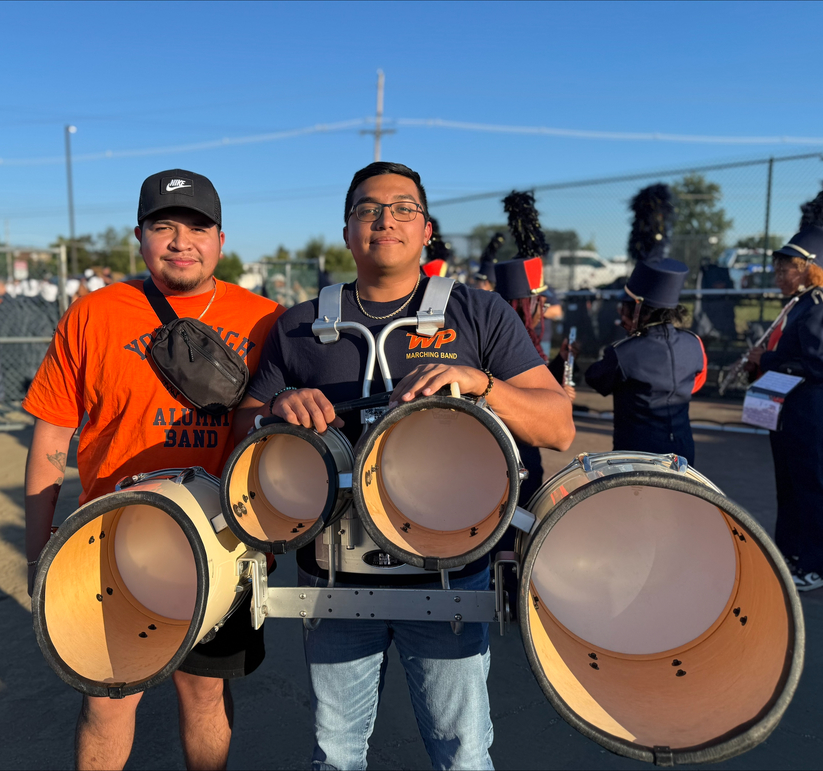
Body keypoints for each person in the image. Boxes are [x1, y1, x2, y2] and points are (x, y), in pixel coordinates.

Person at [234, 161, 574, 771]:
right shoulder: (300, 326)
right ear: (346, 230)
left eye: (402, 208)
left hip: (448, 574)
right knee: (336, 755)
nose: (384, 219)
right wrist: (278, 410)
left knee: (463, 754)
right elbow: (245, 430)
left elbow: (557, 423)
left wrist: (480, 383)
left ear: (426, 230)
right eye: (367, 208)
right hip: (336, 575)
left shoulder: (478, 314)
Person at [22, 168, 282, 771]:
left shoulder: (267, 320)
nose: (181, 240)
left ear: (221, 238)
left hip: (222, 541)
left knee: (206, 693)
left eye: (198, 226)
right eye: (164, 226)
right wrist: (38, 554)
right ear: (138, 235)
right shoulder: (94, 315)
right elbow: (50, 441)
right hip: (108, 542)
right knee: (108, 702)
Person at [746, 173, 823, 592]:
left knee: (810, 486)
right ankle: (788, 553)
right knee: (788, 484)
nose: (778, 272)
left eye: (786, 267)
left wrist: (766, 360)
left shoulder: (820, 307)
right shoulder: (800, 305)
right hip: (787, 407)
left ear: (807, 270)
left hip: (808, 407)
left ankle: (815, 565)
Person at [584, 184, 706, 466]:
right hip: (684, 452)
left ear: (638, 307)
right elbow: (696, 382)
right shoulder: (694, 343)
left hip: (637, 455)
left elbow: (596, 379)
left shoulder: (624, 351)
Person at [494, 191, 578, 507]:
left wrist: (560, 366)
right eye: (538, 300)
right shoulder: (500, 336)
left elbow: (532, 377)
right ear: (525, 304)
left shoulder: (525, 333)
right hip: (511, 452)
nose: (544, 305)